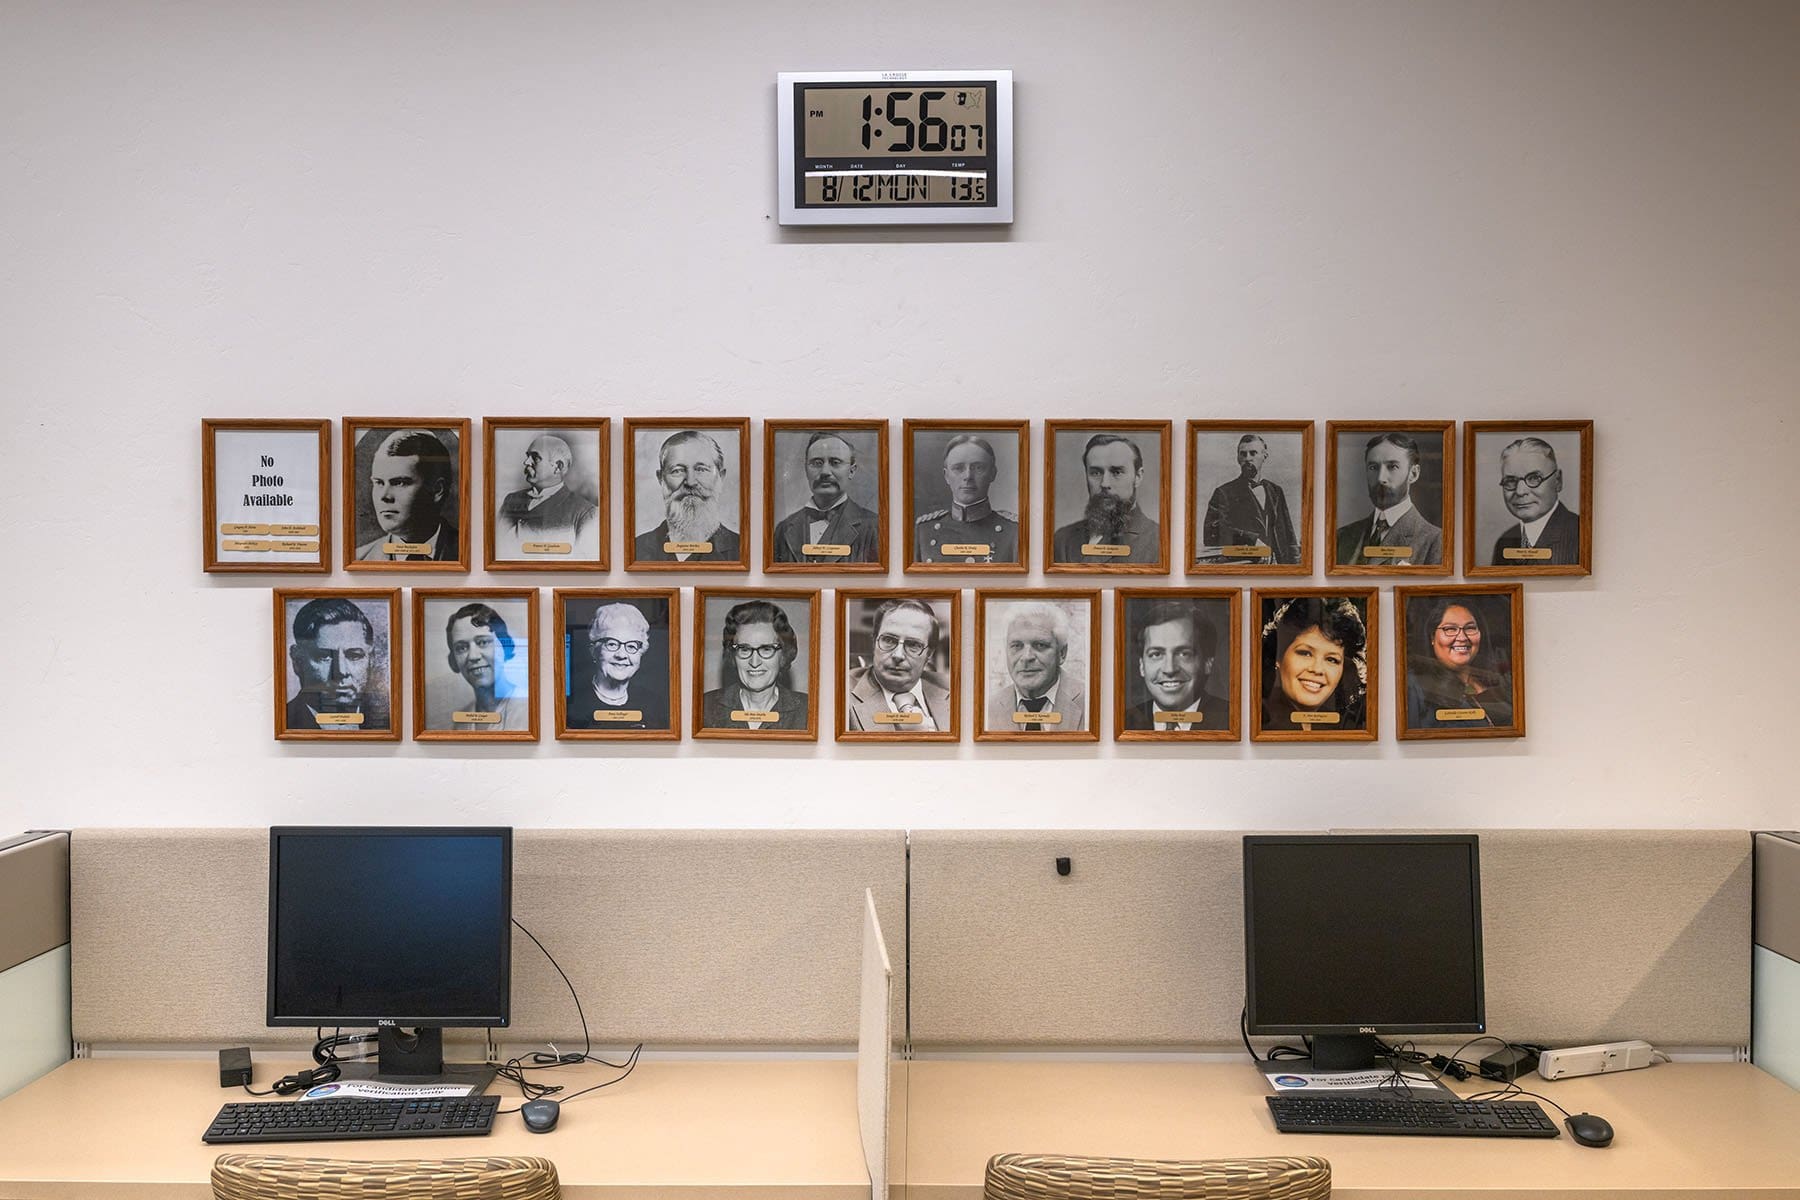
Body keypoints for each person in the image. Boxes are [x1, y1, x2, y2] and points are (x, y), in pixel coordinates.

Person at [1333, 433, 1442, 566]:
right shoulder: (1343, 536)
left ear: (1413, 474)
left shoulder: (1435, 541)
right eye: (1373, 467)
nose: (1380, 478)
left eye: (1392, 467)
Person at [633, 430, 742, 563]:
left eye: (701, 469)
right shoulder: (636, 549)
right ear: (661, 478)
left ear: (721, 477)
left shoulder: (742, 550)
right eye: (677, 471)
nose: (690, 482)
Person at [1051, 433, 1161, 564]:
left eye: (1117, 472)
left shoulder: (1158, 540)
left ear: (1138, 477)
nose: (1105, 483)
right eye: (1096, 473)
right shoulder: (1062, 540)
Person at [1405, 596, 1514, 729]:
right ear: (1432, 637)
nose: (1462, 637)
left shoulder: (1501, 681)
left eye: (1470, 628)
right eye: (1450, 629)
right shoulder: (1415, 686)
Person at [844, 599, 952, 732]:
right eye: (889, 640)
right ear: (874, 642)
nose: (898, 655)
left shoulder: (954, 691)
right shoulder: (840, 694)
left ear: (929, 654)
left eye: (913, 645)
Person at [771, 432, 880, 563]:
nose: (825, 472)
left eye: (835, 462)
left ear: (851, 471)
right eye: (817, 463)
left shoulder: (874, 527)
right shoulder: (784, 529)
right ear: (806, 469)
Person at [701, 599, 809, 729]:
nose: (754, 662)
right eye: (745, 649)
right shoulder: (704, 707)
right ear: (733, 654)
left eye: (766, 649)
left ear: (783, 654)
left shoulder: (808, 710)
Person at [1262, 597, 1367, 730]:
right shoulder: (1261, 721)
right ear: (1278, 656)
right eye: (1305, 653)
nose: (1317, 669)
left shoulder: (1342, 727)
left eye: (1331, 660)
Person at [914, 434, 1020, 564]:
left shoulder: (1014, 531)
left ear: (993, 473)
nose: (968, 476)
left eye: (978, 468)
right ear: (946, 476)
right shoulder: (923, 530)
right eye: (958, 468)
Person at [1123, 600, 1229, 731]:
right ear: (1141, 666)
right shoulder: (1123, 724)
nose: (1169, 669)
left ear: (1207, 663)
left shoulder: (1233, 721)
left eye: (1184, 654)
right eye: (1156, 654)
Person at [286, 597, 389, 731]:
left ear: (371, 659)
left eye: (354, 656)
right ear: (297, 660)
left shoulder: (389, 722)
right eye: (324, 656)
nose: (341, 671)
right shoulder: (285, 721)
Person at [355, 429, 459, 561]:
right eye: (379, 483)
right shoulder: (360, 558)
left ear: (437, 490)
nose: (384, 496)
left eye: (399, 483)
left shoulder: (473, 551)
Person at [984, 603, 1086, 732]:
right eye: (1017, 645)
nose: (1027, 657)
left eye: (1040, 645)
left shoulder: (1090, 702)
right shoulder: (989, 708)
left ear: (1062, 653)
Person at [565, 602, 667, 731]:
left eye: (631, 646)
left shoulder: (653, 703)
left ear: (641, 653)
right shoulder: (573, 705)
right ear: (593, 650)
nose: (621, 655)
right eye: (612, 644)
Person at [1200, 434, 1299, 564]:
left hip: (1277, 567)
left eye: (1253, 453)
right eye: (1243, 454)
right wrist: (1252, 540)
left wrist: (1295, 567)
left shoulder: (1275, 491)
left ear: (1264, 456)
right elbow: (1212, 533)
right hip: (1243, 565)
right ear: (1237, 458)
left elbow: (1289, 535)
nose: (1247, 458)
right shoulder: (1223, 493)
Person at [496, 433, 599, 558]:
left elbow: (585, 561)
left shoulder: (585, 513)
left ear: (558, 467)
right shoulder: (511, 500)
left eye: (535, 457)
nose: (526, 462)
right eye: (528, 456)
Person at [1490, 437, 1581, 565]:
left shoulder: (1581, 534)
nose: (1520, 491)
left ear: (1558, 481)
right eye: (1510, 481)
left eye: (1534, 478)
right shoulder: (1504, 541)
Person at [442, 603, 530, 731]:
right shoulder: (460, 723)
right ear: (453, 661)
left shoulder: (528, 709)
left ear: (504, 648)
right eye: (461, 648)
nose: (473, 656)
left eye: (483, 642)